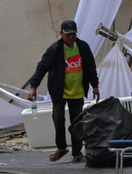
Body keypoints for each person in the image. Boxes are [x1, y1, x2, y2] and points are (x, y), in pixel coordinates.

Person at [27, 20, 100, 163]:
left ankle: (77, 154)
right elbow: (42, 67)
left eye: (73, 34)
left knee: (77, 122)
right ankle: (61, 148)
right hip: (59, 91)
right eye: (67, 34)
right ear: (61, 34)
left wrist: (95, 86)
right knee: (58, 119)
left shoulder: (83, 47)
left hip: (77, 91)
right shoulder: (55, 49)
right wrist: (33, 87)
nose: (71, 37)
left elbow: (91, 67)